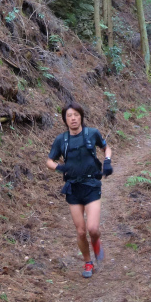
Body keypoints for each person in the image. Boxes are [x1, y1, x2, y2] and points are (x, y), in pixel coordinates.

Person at [47, 101, 113, 278]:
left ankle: (96, 241)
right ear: (65, 120)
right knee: (81, 231)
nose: (73, 118)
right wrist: (59, 167)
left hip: (91, 185)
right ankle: (88, 262)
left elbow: (106, 147)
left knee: (92, 229)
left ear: (81, 117)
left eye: (76, 115)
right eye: (69, 116)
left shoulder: (92, 133)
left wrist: (107, 161)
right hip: (73, 189)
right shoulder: (62, 140)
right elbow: (49, 161)